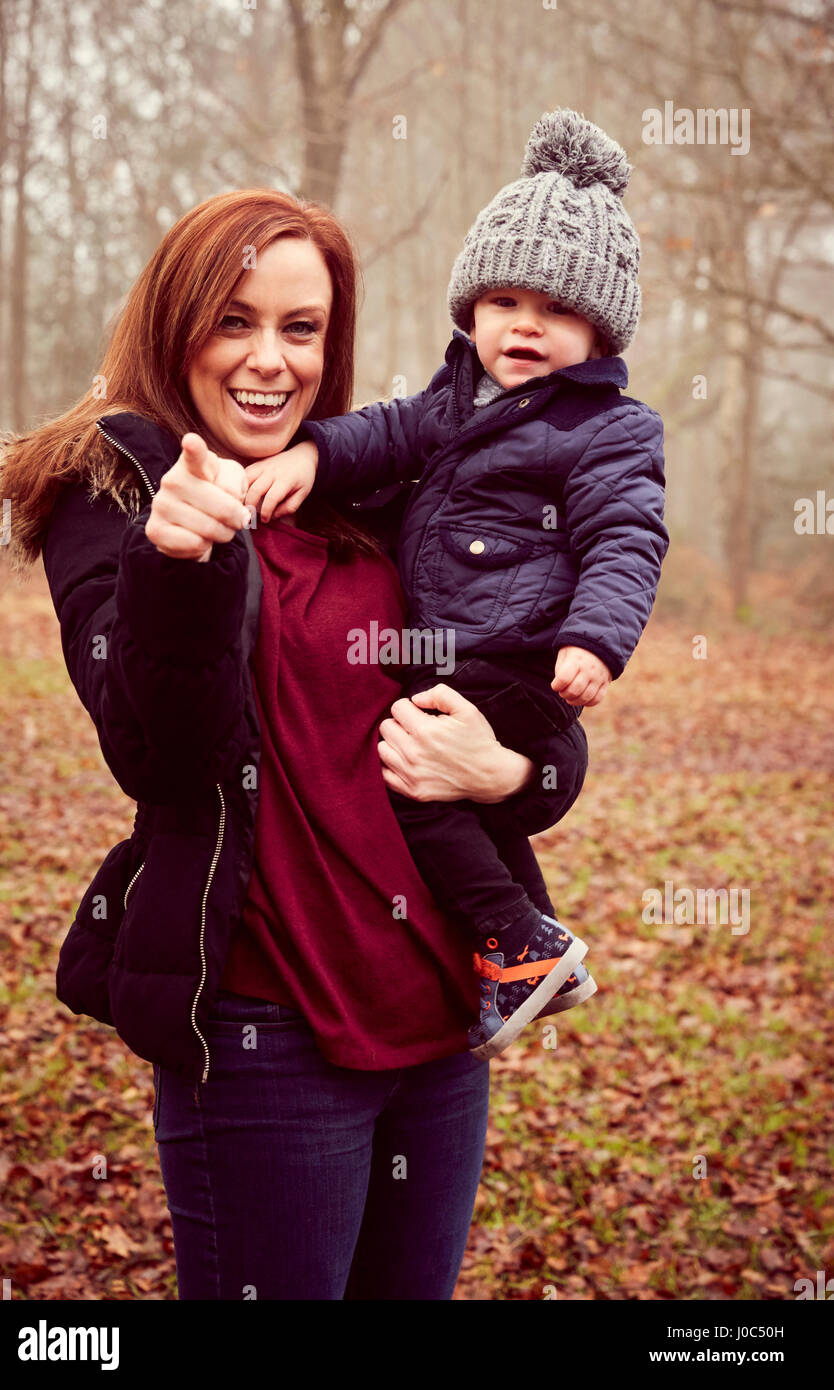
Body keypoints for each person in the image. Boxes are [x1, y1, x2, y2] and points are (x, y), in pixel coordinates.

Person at [0, 187, 578, 1300]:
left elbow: (523, 692)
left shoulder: (372, 485)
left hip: (441, 1023)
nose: (269, 361)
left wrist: (511, 770)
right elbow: (156, 753)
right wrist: (177, 567)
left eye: (300, 329)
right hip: (269, 1038)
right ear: (173, 325)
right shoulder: (118, 492)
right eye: (232, 320)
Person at [241, 108, 670, 1061]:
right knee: (447, 787)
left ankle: (518, 941)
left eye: (558, 311)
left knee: (409, 778)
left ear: (599, 338)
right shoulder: (450, 404)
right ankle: (531, 940)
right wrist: (312, 454)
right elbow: (383, 433)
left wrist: (594, 639)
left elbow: (626, 535)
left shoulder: (606, 432)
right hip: (457, 652)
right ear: (469, 311)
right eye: (506, 302)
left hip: (518, 661)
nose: (527, 325)